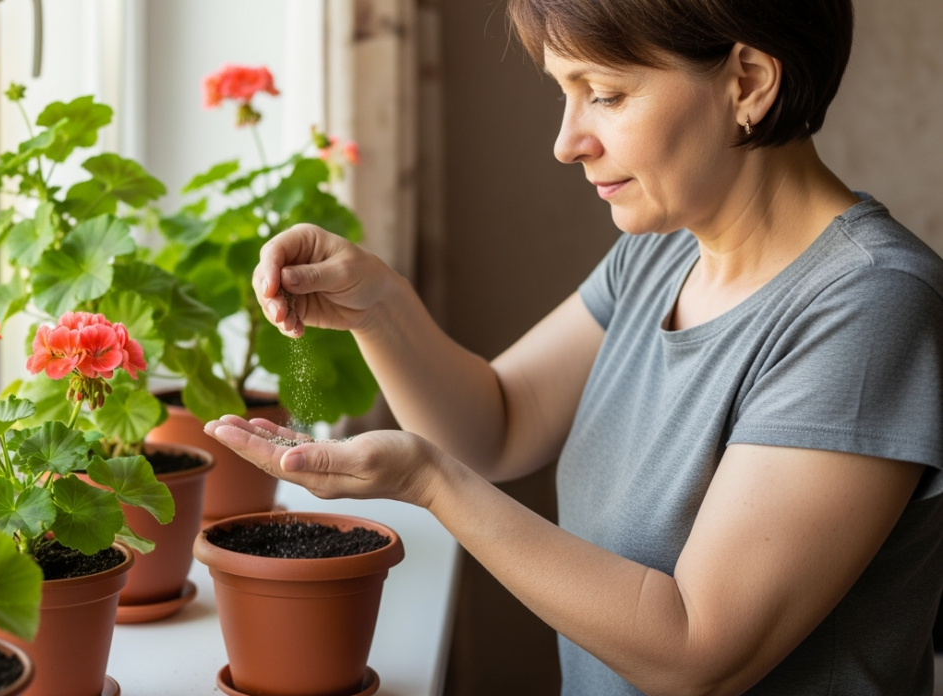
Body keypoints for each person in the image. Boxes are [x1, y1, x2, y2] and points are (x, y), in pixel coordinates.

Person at [201, 1, 943, 694]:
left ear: (747, 82)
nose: (566, 143)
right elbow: (498, 425)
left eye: (606, 95)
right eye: (565, 91)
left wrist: (430, 484)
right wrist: (379, 307)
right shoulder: (664, 252)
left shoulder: (869, 305)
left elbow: (697, 652)